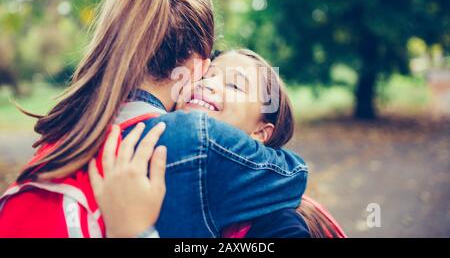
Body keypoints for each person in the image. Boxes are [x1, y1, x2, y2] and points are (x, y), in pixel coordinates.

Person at [0, 0, 307, 238]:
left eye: (235, 84)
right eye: (210, 74)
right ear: (197, 68)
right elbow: (295, 174)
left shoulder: (66, 135)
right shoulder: (194, 143)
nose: (211, 85)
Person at [90, 49, 346, 238]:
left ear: (259, 132)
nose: (207, 85)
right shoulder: (159, 163)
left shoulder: (277, 223)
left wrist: (135, 233)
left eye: (234, 84)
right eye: (205, 76)